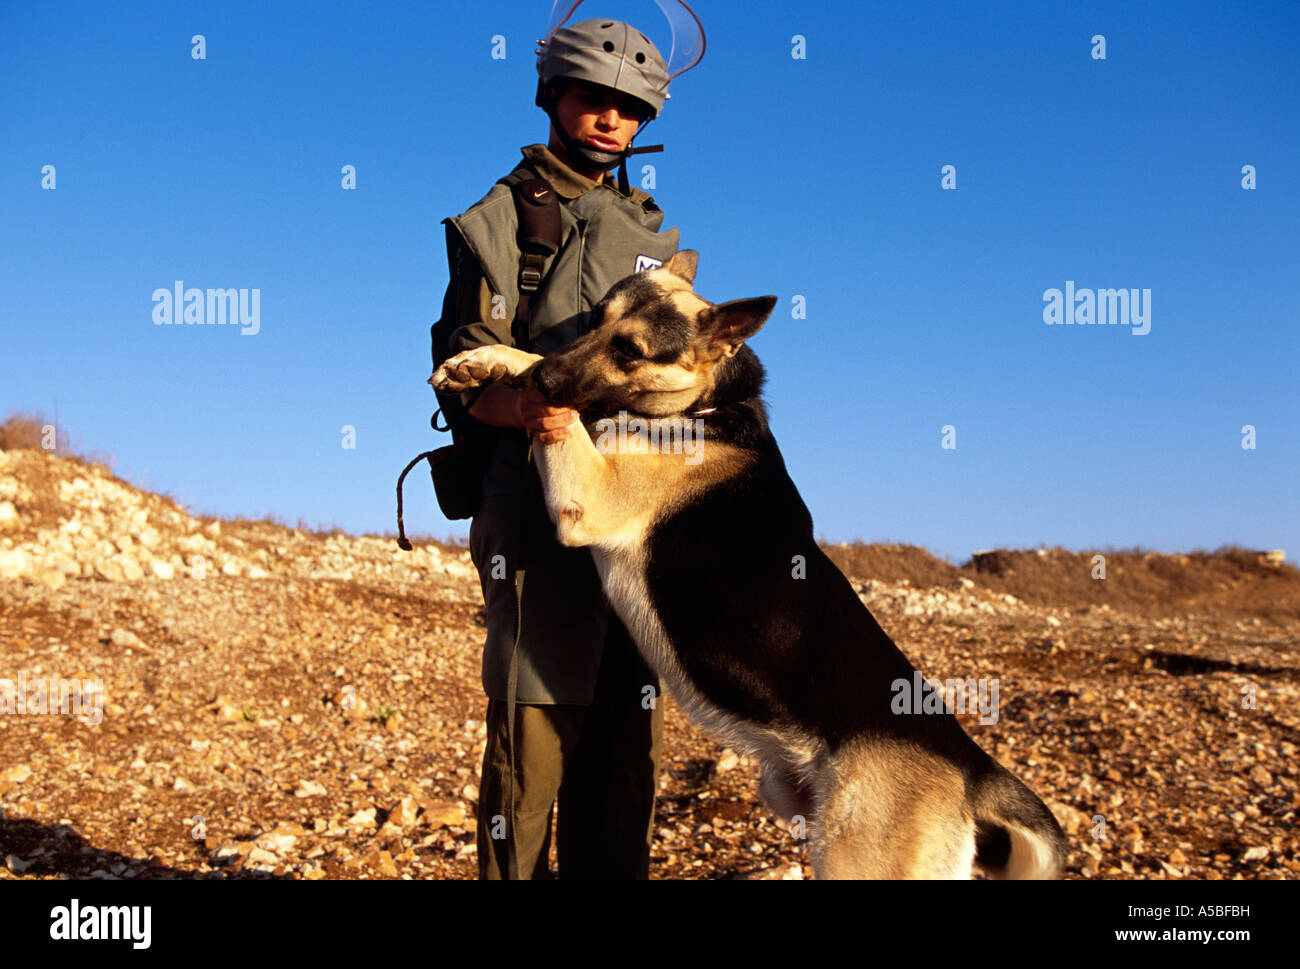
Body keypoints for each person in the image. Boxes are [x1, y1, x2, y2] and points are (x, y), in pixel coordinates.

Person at [430, 14, 699, 879]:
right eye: (594, 98)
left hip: (634, 515)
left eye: (629, 107)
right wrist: (537, 409)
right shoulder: (502, 218)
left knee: (628, 739)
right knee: (534, 734)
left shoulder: (659, 239)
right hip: (535, 506)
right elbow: (467, 370)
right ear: (553, 94)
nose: (611, 118)